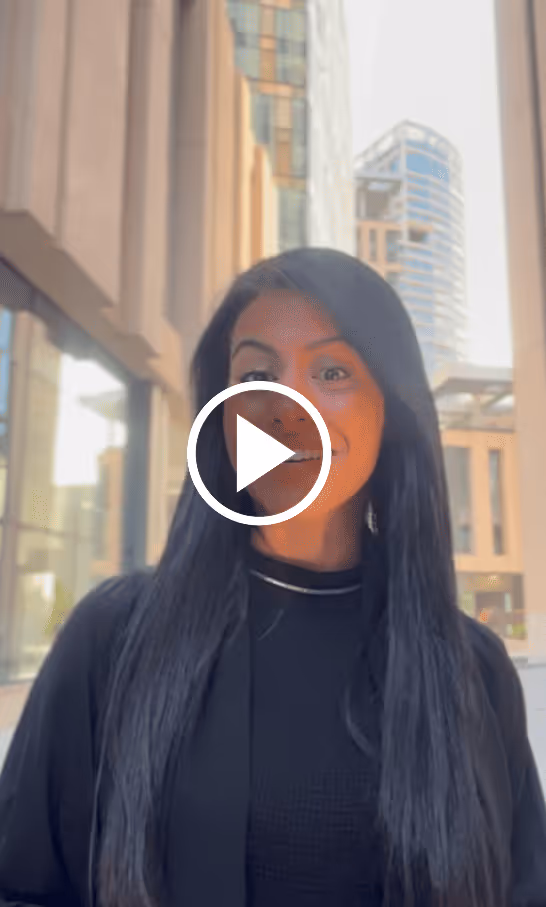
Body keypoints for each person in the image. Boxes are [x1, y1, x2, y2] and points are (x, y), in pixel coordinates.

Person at [0, 248, 545, 907]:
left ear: (390, 411)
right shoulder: (112, 638)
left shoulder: (474, 672)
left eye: (333, 370)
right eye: (257, 374)